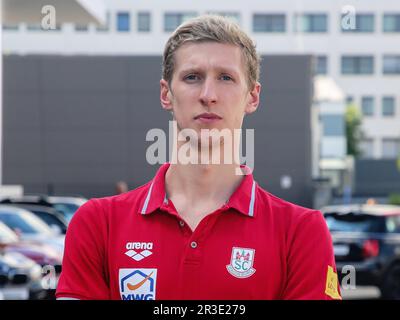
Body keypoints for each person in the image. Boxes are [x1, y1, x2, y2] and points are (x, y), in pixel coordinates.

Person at [56, 15, 341, 300]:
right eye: (192, 77)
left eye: (226, 78)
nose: (208, 95)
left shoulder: (302, 232)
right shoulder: (97, 224)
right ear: (166, 94)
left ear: (252, 97)